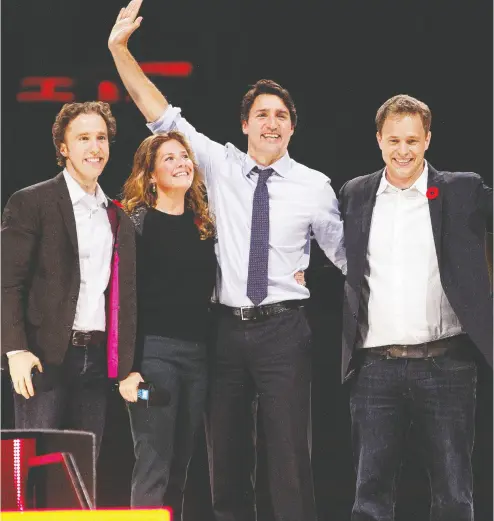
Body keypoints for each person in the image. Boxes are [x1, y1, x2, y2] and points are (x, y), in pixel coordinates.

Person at [108, 2, 346, 520]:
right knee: (226, 462)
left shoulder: (315, 186)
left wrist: (315, 277)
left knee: (289, 462)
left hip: (285, 331)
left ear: (292, 129)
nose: (272, 121)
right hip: (223, 334)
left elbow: (346, 257)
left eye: (282, 115)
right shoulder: (217, 164)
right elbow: (159, 114)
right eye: (262, 113)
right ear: (244, 124)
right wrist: (119, 50)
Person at [339, 94, 493, 521]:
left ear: (427, 140)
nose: (402, 150)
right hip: (375, 369)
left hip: (447, 366)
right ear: (378, 140)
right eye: (393, 140)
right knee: (369, 498)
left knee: (454, 495)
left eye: (411, 140)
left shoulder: (461, 189)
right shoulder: (355, 194)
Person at [1, 101, 137, 457]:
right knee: (35, 471)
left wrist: (123, 363)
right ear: (63, 148)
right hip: (42, 359)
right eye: (83, 138)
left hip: (95, 362)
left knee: (81, 477)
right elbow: (7, 281)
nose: (95, 147)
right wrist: (15, 350)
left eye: (102, 138)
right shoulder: (32, 201)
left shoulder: (116, 215)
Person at [117, 130, 216, 514]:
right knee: (153, 463)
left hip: (198, 358)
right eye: (169, 158)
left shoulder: (204, 226)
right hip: (154, 356)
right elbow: (123, 301)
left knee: (181, 465)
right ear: (151, 174)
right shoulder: (135, 224)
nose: (181, 163)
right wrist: (129, 369)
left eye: (184, 156)